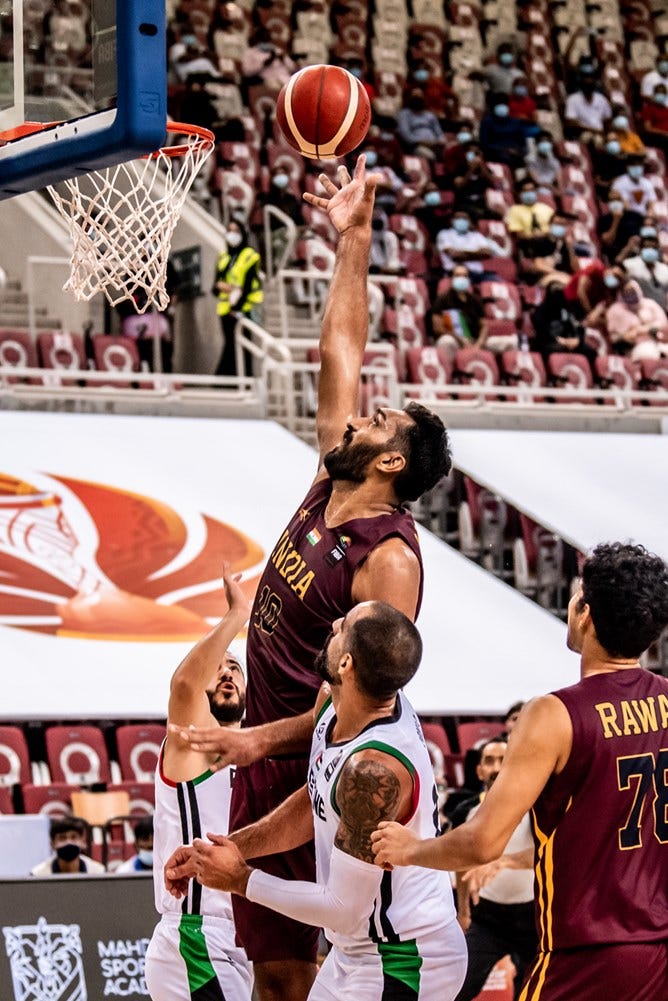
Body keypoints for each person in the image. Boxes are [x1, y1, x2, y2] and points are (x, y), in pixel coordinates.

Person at [171, 156, 452, 1001]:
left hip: (308, 765)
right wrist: (353, 238)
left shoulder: (388, 557)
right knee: (271, 966)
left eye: (376, 419)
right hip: (260, 741)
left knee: (293, 973)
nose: (358, 414)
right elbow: (340, 343)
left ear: (393, 459)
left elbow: (361, 698)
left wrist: (264, 739)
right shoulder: (334, 476)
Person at [372, 542, 668, 1001]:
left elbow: (483, 841)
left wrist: (412, 849)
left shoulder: (554, 713)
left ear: (585, 613)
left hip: (586, 954)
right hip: (658, 954)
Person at [166, 601, 468, 1001]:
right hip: (356, 950)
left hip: (405, 957)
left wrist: (240, 879)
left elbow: (343, 907)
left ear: (346, 664)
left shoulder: (373, 771)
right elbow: (314, 802)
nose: (335, 621)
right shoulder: (335, 702)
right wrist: (224, 849)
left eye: (345, 625)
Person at [144, 567, 253, 1001]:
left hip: (243, 939)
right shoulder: (193, 745)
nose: (227, 674)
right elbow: (187, 683)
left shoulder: (257, 759)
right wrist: (235, 617)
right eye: (220, 668)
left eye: (236, 670)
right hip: (195, 936)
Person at [453, 740, 537, 1001]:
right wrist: (463, 910)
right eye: (489, 760)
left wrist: (503, 862)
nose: (496, 767)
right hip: (487, 918)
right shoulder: (466, 812)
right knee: (458, 987)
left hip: (532, 916)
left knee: (533, 992)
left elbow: (543, 853)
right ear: (478, 770)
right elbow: (460, 863)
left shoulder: (534, 808)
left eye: (503, 759)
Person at [212, 218, 263, 377]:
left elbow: (248, 285)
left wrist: (237, 307)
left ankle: (241, 378)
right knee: (229, 343)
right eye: (229, 231)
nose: (232, 235)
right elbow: (215, 286)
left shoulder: (250, 255)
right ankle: (228, 379)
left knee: (242, 344)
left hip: (244, 308)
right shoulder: (223, 257)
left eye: (236, 231)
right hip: (225, 309)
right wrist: (223, 288)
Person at [605, 279, 668, 360]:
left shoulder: (650, 304)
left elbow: (663, 324)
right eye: (627, 292)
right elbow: (615, 338)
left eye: (633, 291)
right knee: (648, 354)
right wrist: (627, 336)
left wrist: (644, 329)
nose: (631, 295)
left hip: (660, 342)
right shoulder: (615, 311)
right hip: (636, 348)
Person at [431, 265, 489, 352]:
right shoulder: (442, 300)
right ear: (452, 278)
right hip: (455, 340)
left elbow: (484, 325)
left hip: (475, 341)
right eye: (458, 275)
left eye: (465, 276)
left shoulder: (476, 300)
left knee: (509, 342)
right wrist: (460, 339)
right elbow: (438, 328)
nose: (461, 279)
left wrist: (478, 344)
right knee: (446, 341)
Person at [436, 210, 507, 278]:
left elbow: (487, 253)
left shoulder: (476, 235)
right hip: (456, 273)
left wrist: (462, 253)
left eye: (464, 218)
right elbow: (455, 256)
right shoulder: (444, 234)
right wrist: (478, 254)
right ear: (451, 221)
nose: (461, 221)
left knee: (497, 280)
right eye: (458, 218)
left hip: (478, 273)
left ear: (469, 221)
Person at [31, 816, 104, 875]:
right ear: (52, 844)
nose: (68, 842)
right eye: (62, 838)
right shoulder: (38, 875)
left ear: (83, 842)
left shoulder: (98, 872)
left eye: (73, 837)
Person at [504, 179, 554, 251]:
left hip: (548, 242)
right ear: (519, 194)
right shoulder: (514, 210)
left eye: (532, 190)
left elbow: (554, 229)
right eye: (525, 191)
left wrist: (546, 234)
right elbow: (519, 234)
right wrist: (537, 235)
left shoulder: (546, 209)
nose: (529, 193)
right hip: (528, 245)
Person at [621, 234, 668, 307]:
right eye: (647, 247)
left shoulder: (665, 269)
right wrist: (628, 248)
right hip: (637, 311)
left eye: (653, 248)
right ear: (641, 249)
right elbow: (615, 269)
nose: (650, 250)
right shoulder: (629, 265)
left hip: (660, 312)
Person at [396, 89, 445, 158]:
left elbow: (439, 132)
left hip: (435, 145)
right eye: (415, 96)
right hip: (417, 146)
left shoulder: (430, 115)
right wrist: (422, 142)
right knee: (430, 156)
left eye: (419, 96)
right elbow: (406, 135)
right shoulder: (404, 114)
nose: (417, 99)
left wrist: (440, 141)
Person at [564, 73, 611, 140]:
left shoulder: (601, 99)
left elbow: (608, 119)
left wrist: (606, 133)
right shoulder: (573, 99)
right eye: (586, 85)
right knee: (594, 139)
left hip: (600, 132)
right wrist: (593, 130)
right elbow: (570, 122)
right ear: (581, 86)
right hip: (583, 132)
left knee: (612, 139)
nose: (589, 88)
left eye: (591, 85)